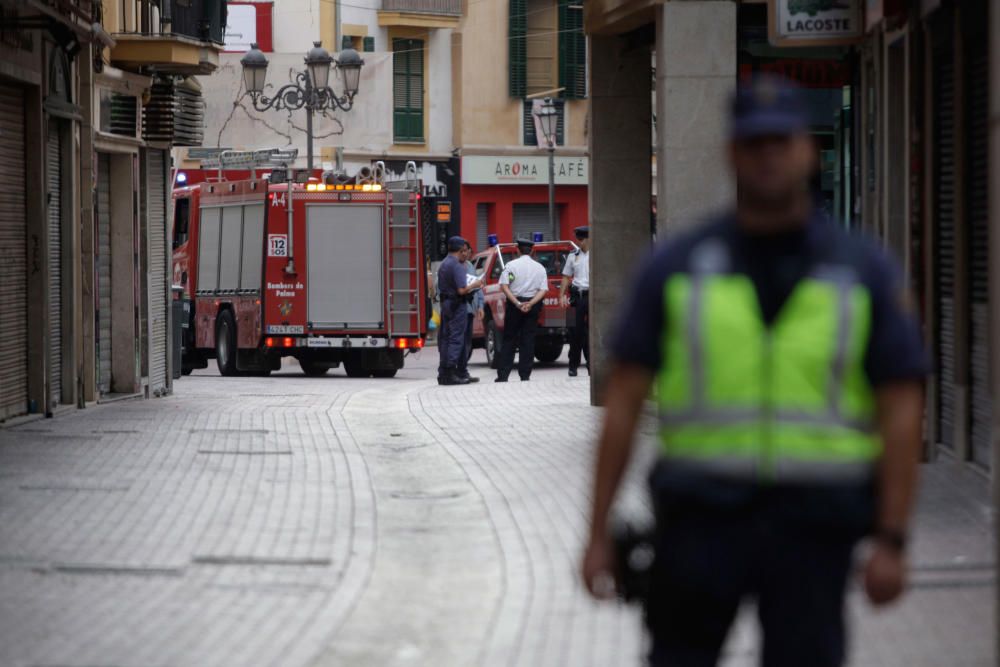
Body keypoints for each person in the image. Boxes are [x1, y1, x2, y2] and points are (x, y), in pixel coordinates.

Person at [581, 75, 928, 667]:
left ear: (807, 149)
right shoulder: (678, 266)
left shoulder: (862, 270)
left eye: (780, 140)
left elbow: (901, 408)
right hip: (698, 525)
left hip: (814, 530)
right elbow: (623, 402)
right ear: (731, 152)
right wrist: (596, 534)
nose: (767, 154)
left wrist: (892, 539)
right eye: (753, 142)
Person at [495, 237, 548, 383]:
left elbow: (504, 286)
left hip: (514, 305)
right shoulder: (540, 267)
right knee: (528, 340)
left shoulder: (511, 265)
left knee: (509, 339)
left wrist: (518, 303)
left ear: (518, 250)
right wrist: (530, 303)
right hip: (533, 305)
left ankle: (503, 375)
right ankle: (525, 375)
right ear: (532, 251)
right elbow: (543, 290)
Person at [437, 236, 482, 385]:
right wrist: (475, 284)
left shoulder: (444, 263)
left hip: (446, 304)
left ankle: (443, 373)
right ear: (460, 249)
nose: (465, 252)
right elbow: (462, 290)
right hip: (457, 305)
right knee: (456, 339)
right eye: (464, 249)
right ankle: (450, 373)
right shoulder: (456, 265)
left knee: (446, 338)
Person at [559, 225, 590, 376]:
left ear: (589, 239)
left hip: (592, 297)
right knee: (574, 332)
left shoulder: (597, 254)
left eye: (582, 239)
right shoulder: (572, 255)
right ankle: (573, 366)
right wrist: (561, 295)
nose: (579, 242)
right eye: (578, 239)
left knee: (590, 332)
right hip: (576, 297)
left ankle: (592, 365)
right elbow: (566, 277)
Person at [459, 240, 485, 383]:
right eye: (463, 250)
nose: (466, 253)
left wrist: (480, 306)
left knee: (467, 343)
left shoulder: (469, 265)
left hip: (469, 310)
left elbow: (477, 286)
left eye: (468, 251)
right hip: (456, 310)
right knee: (458, 342)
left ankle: (463, 370)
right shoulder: (451, 265)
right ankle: (456, 370)